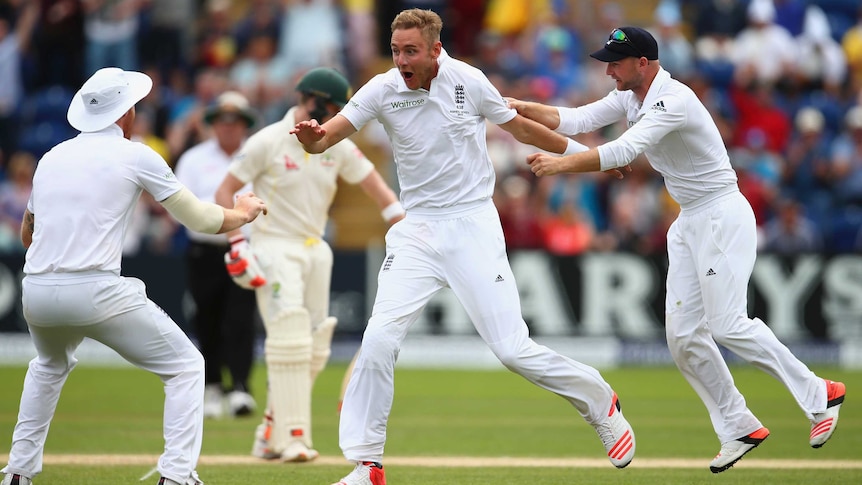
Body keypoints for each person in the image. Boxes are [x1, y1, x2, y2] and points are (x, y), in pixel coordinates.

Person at [291, 9, 636, 485]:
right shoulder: (381, 88)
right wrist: (312, 140)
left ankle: (599, 400)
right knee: (378, 339)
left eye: (411, 51)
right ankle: (366, 465)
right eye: (395, 51)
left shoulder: (467, 80)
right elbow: (325, 139)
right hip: (418, 230)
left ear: (435, 49)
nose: (401, 60)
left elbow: (519, 128)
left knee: (512, 352)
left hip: (472, 223)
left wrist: (582, 157)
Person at [508, 26, 845, 474]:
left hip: (723, 213)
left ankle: (820, 393)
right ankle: (737, 424)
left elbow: (624, 150)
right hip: (689, 221)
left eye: (616, 61)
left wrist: (561, 165)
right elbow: (575, 119)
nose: (608, 69)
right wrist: (515, 107)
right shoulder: (630, 96)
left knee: (727, 324)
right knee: (683, 338)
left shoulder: (673, 100)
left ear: (643, 64)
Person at [0, 67, 267, 485]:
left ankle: (18, 473)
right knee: (186, 367)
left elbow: (27, 232)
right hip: (94, 288)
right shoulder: (136, 154)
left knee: (48, 365)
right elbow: (197, 218)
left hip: (35, 290)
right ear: (126, 114)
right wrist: (243, 213)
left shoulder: (51, 157)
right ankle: (177, 476)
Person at [214, 66, 405, 463]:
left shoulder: (334, 142)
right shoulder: (267, 141)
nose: (337, 119)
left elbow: (375, 184)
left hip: (316, 248)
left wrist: (400, 221)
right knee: (291, 336)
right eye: (333, 108)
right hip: (273, 245)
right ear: (314, 101)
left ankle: (269, 431)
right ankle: (294, 439)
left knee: (314, 345)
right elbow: (225, 189)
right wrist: (237, 243)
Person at [174, 90, 260, 420]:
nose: (228, 128)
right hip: (205, 249)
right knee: (206, 317)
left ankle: (240, 386)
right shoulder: (194, 159)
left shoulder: (255, 156)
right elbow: (180, 204)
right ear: (214, 125)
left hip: (244, 247)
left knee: (241, 318)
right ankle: (211, 385)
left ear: (243, 125)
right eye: (223, 122)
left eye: (235, 122)